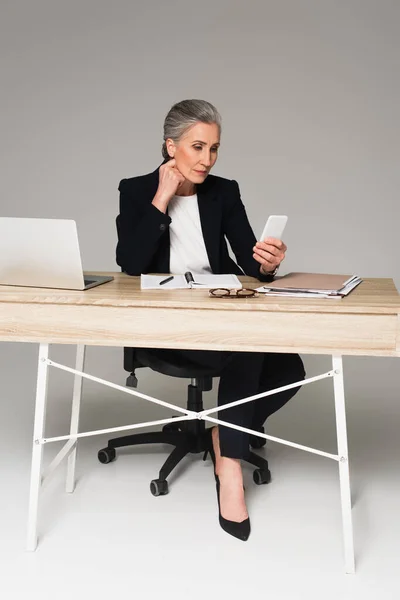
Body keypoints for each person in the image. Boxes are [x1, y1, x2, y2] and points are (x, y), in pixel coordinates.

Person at [116, 99, 305, 541]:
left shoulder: (224, 190)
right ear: (170, 146)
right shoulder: (134, 188)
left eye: (214, 149)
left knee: (291, 369)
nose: (206, 159)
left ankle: (225, 432)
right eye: (197, 147)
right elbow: (129, 264)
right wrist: (161, 199)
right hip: (165, 323)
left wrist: (269, 262)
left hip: (221, 311)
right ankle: (230, 468)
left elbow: (249, 265)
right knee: (248, 347)